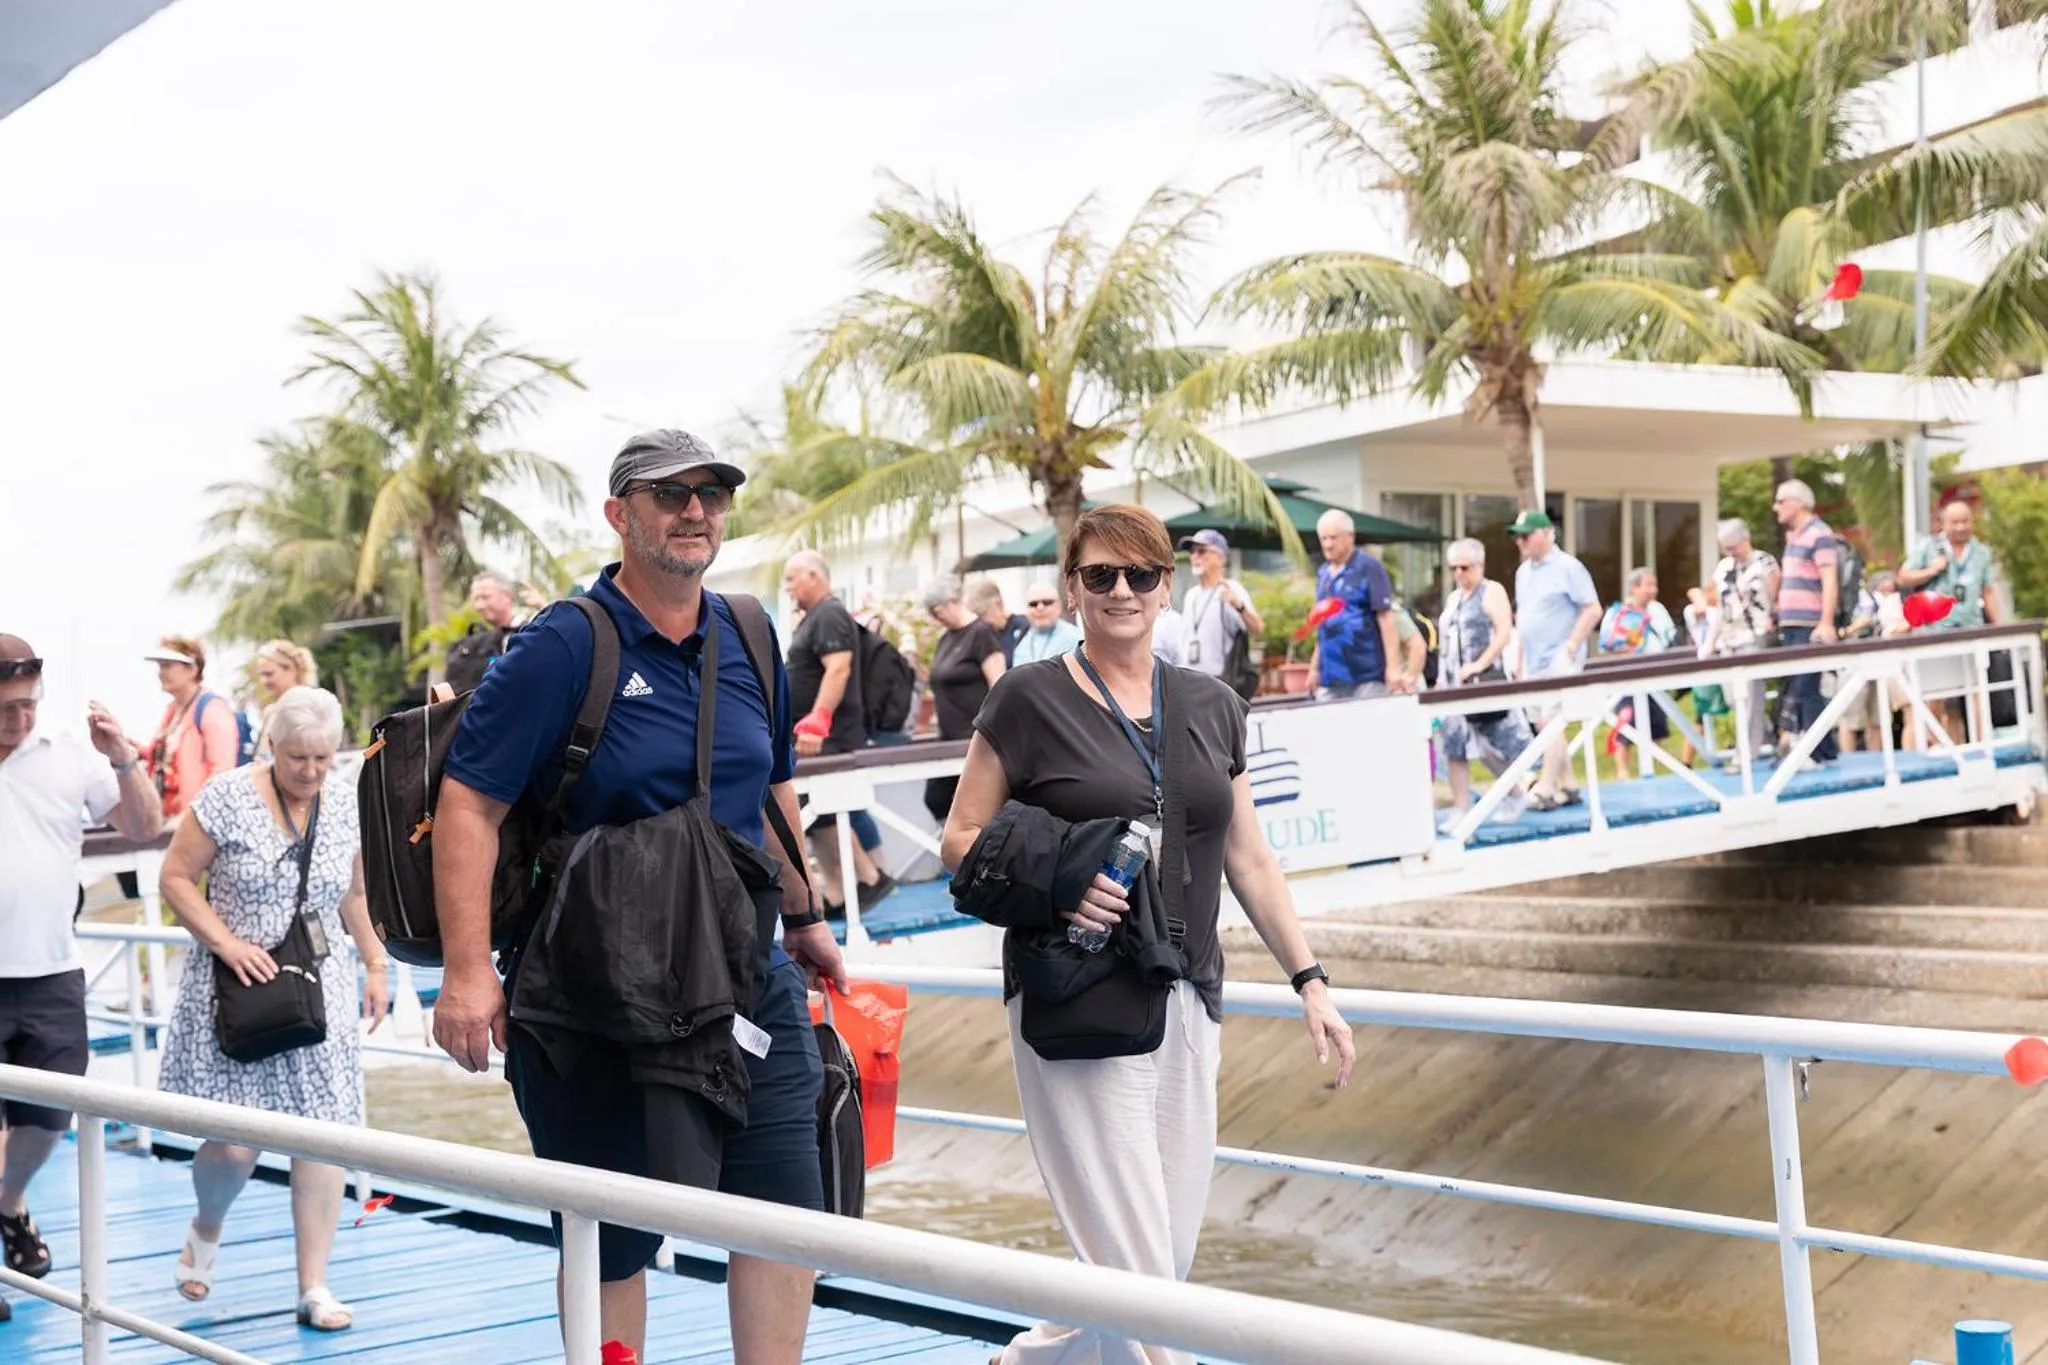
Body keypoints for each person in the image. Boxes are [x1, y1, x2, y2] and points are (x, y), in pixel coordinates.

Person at [430, 429, 847, 1364]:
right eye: (671, 495)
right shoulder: (562, 644)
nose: (695, 510)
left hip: (746, 971)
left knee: (784, 1215)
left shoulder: (747, 628)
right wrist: (465, 973)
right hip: (596, 984)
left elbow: (773, 783)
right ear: (621, 514)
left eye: (711, 493)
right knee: (611, 1231)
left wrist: (806, 915)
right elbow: (469, 804)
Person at [939, 504, 1354, 1365]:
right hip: (1077, 998)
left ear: (1168, 585)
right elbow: (959, 838)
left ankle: (1032, 1361)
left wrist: (1309, 979)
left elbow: (1251, 858)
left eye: (1139, 574)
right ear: (1071, 587)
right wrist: (1061, 877)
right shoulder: (1027, 698)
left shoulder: (1210, 703)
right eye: (1100, 575)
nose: (1120, 591)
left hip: (1189, 992)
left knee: (1160, 1251)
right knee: (1139, 1276)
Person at [156, 686, 389, 1331]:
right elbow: (175, 878)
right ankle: (207, 1225)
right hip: (241, 986)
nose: (310, 772)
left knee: (321, 1139)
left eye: (321, 758)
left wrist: (375, 964)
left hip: (319, 986)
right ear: (271, 746)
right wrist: (227, 944)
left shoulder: (343, 804)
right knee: (233, 1147)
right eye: (296, 760)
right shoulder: (227, 798)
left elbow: (356, 891)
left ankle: (313, 1284)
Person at [0, 636, 161, 1323]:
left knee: (49, 1117)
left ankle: (8, 1204)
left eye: (28, 705)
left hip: (51, 971)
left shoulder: (67, 751)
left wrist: (121, 755)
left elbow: (144, 826)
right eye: (6, 709)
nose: (20, 721)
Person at [781, 550, 891, 912]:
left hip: (829, 736)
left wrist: (818, 719)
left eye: (791, 578)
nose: (787, 587)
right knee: (816, 818)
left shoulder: (828, 613)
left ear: (814, 575)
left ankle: (870, 879)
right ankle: (839, 893)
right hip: (812, 737)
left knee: (825, 810)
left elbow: (838, 668)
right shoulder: (813, 617)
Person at [1509, 510, 1601, 809]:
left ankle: (1546, 788)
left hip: (1559, 658)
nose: (1520, 541)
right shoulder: (1524, 573)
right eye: (1517, 536)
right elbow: (1524, 619)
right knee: (1541, 722)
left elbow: (1592, 609)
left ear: (1546, 534)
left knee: (1551, 722)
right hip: (1532, 660)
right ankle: (1570, 783)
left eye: (1526, 535)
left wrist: (1571, 647)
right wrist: (1518, 659)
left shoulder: (1568, 567)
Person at [1435, 539, 1532, 817]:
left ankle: (1517, 793)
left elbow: (1504, 632)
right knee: (1454, 746)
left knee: (1496, 745)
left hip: (1484, 682)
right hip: (1454, 684)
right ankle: (1461, 807)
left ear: (1479, 565)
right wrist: (1443, 677)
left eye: (1465, 567)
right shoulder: (1454, 599)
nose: (1459, 574)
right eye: (1454, 568)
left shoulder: (1491, 591)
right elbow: (1447, 642)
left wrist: (1480, 664)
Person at [921, 576, 1006, 826]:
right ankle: (955, 860)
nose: (937, 619)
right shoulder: (945, 639)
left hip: (974, 738)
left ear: (953, 601)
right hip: (947, 736)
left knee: (975, 809)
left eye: (937, 612)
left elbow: (1000, 687)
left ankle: (970, 860)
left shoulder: (981, 634)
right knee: (936, 798)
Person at [1771, 479, 1841, 766]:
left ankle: (1814, 750)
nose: (1775, 507)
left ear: (1798, 503)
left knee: (1806, 687)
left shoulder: (1819, 534)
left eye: (1781, 501)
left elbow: (1829, 580)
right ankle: (1821, 750)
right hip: (1791, 623)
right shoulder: (1793, 538)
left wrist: (1825, 622)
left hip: (1809, 622)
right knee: (1799, 687)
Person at [1704, 517, 1780, 768]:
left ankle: (1746, 753)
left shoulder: (1764, 563)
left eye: (1733, 547)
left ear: (1745, 540)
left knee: (1749, 696)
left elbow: (1775, 598)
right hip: (1728, 639)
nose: (1730, 553)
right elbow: (1717, 607)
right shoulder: (1723, 568)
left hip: (1754, 635)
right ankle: (1766, 738)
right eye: (1726, 548)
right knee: (1733, 699)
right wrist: (1710, 643)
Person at [1306, 509, 1405, 700]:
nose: (1328, 545)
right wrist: (1314, 668)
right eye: (1324, 538)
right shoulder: (1323, 574)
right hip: (1331, 677)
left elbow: (1385, 619)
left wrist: (1393, 669)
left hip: (1366, 675)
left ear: (1350, 537)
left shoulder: (1369, 567)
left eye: (1333, 538)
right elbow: (1323, 626)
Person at [142, 636, 241, 823]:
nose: (161, 673)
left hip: (196, 824)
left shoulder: (212, 709)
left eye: (167, 666)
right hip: (168, 820)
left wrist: (194, 817)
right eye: (160, 666)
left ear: (192, 669)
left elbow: (222, 772)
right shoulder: (173, 710)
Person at [1599, 568, 1678, 777]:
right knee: (1625, 724)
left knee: (1657, 725)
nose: (1653, 590)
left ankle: (1653, 770)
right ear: (1635, 588)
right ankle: (1622, 772)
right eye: (1648, 585)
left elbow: (1668, 637)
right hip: (1628, 677)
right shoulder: (1618, 613)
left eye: (1655, 585)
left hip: (1655, 676)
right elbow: (1606, 644)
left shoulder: (1658, 610)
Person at [1175, 530, 1263, 683]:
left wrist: (1238, 606)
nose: (1195, 556)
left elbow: (1257, 628)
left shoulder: (1231, 588)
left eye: (1201, 551)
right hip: (1189, 679)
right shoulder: (1191, 595)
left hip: (1218, 680)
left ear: (1220, 558)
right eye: (1192, 552)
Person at [444, 569, 533, 694]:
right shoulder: (478, 641)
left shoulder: (530, 630)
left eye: (486, 597)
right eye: (476, 599)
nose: (480, 605)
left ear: (507, 596)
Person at [252, 639, 319, 757]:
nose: (263, 681)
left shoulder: (307, 707)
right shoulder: (271, 712)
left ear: (291, 670)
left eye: (269, 674)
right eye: (261, 675)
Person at [1013, 581, 1081, 664]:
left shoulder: (1074, 637)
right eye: (1033, 604)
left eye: (1047, 602)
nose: (1040, 608)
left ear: (1059, 606)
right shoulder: (1020, 637)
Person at [967, 579, 1030, 667]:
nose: (980, 622)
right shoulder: (979, 634)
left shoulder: (1025, 627)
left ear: (999, 604)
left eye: (982, 614)